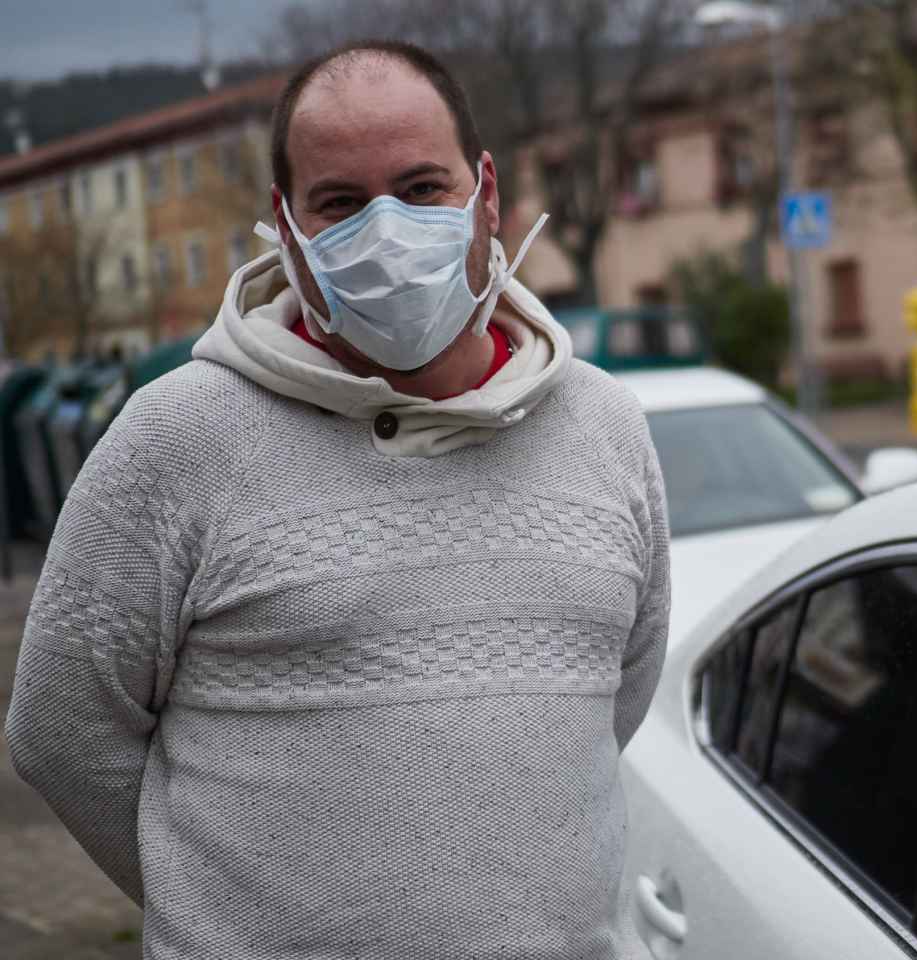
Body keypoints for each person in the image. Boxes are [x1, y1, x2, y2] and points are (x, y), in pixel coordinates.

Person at [5, 40, 669, 959]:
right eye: (342, 203)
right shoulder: (178, 437)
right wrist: (225, 917)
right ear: (285, 223)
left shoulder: (607, 427)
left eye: (422, 188)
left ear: (487, 195)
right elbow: (61, 732)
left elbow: (611, 703)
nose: (388, 232)